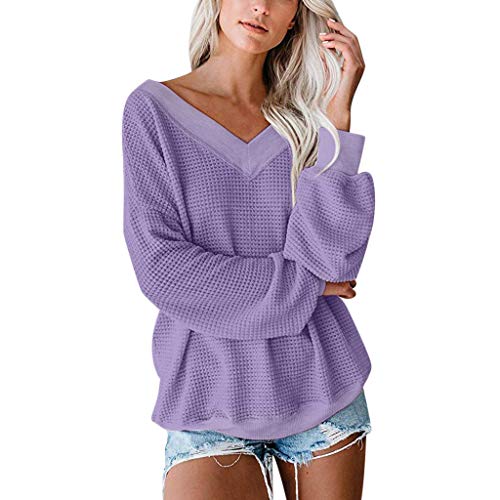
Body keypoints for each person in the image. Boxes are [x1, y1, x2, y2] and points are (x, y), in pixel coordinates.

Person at [121, 1, 376, 498]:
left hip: (321, 382)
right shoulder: (152, 111)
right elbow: (163, 270)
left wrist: (338, 117)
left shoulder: (307, 121)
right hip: (207, 392)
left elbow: (334, 260)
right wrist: (307, 285)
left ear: (294, 17)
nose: (260, 6)